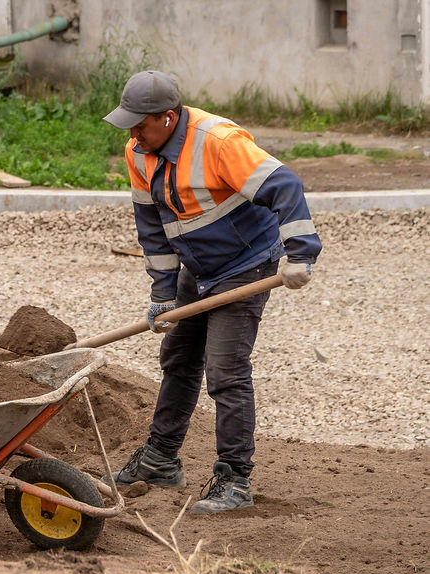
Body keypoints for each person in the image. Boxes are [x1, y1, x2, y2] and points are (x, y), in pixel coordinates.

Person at [103, 71, 322, 514]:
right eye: (128, 124)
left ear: (167, 118)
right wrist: (163, 295)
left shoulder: (218, 141)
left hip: (246, 266)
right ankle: (161, 459)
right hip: (198, 268)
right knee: (179, 358)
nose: (132, 134)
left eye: (140, 124)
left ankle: (234, 481)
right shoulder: (138, 150)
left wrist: (301, 255)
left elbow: (286, 186)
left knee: (226, 370)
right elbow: (152, 228)